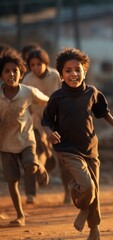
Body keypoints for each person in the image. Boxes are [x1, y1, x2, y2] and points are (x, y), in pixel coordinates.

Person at [41, 48, 113, 240]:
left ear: (85, 71)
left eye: (77, 69)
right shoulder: (57, 97)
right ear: (61, 74)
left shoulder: (92, 92)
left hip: (91, 148)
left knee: (95, 192)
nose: (73, 74)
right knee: (87, 187)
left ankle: (94, 229)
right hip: (67, 149)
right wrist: (50, 133)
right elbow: (46, 121)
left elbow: (103, 112)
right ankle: (77, 193)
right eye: (68, 71)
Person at [0, 48, 50, 227]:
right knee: (12, 182)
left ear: (21, 74)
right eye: (7, 71)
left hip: (26, 141)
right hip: (5, 145)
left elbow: (48, 101)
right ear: (1, 74)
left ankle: (39, 165)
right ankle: (20, 215)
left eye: (15, 71)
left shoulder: (28, 91)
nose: (11, 74)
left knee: (30, 166)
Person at [22, 48, 72, 205]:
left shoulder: (56, 76)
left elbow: (64, 97)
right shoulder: (28, 79)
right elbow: (25, 104)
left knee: (64, 160)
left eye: (39, 64)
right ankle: (31, 194)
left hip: (57, 123)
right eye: (32, 65)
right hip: (36, 123)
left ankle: (68, 193)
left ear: (46, 63)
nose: (36, 68)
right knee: (31, 158)